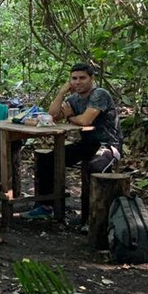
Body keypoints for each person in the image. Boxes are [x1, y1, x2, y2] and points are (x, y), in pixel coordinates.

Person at [26, 63, 122, 219]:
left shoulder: (99, 95)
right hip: (87, 144)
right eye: (74, 78)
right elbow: (52, 116)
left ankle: (92, 217)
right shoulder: (73, 98)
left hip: (108, 144)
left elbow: (85, 121)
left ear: (92, 78)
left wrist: (70, 117)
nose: (77, 82)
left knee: (94, 168)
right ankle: (46, 206)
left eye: (82, 78)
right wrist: (61, 92)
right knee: (47, 160)